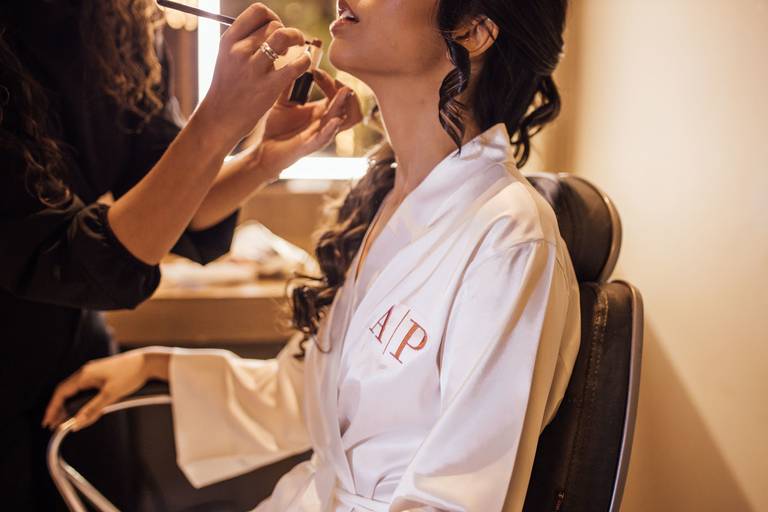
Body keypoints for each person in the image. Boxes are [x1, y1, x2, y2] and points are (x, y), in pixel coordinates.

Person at [46, 0, 580, 510]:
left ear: (473, 32)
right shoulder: (388, 204)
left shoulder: (509, 240)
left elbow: (455, 501)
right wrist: (153, 363)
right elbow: (318, 402)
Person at [1, 0, 359, 509]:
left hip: (72, 358)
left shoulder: (113, 22)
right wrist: (218, 120)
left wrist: (262, 159)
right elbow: (63, 256)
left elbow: (172, 205)